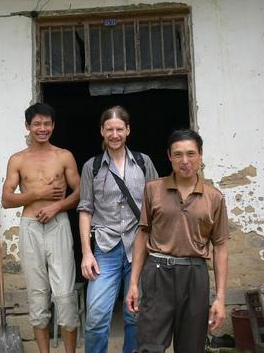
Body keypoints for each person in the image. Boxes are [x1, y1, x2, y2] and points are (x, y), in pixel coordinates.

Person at [126, 129, 229, 353]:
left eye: (191, 154)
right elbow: (143, 234)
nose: (185, 161)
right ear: (169, 156)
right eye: (178, 154)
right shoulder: (153, 190)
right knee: (148, 347)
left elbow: (220, 246)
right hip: (157, 273)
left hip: (195, 276)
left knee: (192, 347)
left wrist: (220, 298)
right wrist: (133, 282)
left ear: (201, 155)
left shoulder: (214, 197)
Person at [78, 106, 158, 353]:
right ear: (102, 131)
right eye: (110, 129)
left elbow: (157, 205)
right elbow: (85, 210)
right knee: (96, 316)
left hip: (139, 248)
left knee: (135, 314)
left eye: (119, 129)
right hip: (105, 248)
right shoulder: (91, 167)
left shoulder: (143, 163)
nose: (115, 134)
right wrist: (86, 253)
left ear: (128, 130)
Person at [1, 103, 80, 353]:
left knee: (65, 297)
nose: (42, 128)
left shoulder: (63, 156)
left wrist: (57, 206)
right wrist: (39, 193)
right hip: (30, 227)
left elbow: (80, 193)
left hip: (58, 225)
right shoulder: (18, 160)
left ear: (53, 126)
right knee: (37, 297)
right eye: (37, 124)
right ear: (28, 126)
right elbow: (6, 199)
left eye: (47, 124)